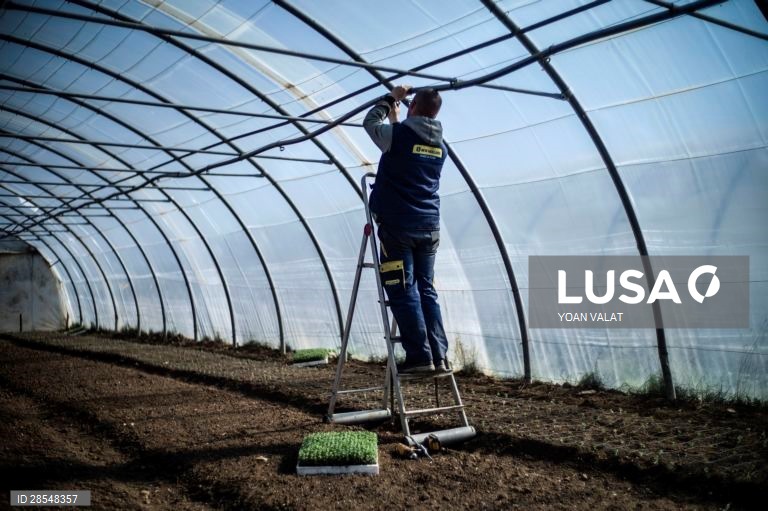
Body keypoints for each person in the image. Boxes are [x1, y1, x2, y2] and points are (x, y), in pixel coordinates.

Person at [363, 84, 449, 374]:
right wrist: (396, 120)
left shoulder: (397, 137)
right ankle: (439, 356)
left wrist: (391, 98)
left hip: (398, 227)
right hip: (429, 227)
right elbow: (410, 150)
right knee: (426, 289)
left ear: (412, 106)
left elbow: (369, 122)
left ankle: (420, 357)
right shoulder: (440, 147)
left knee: (402, 288)